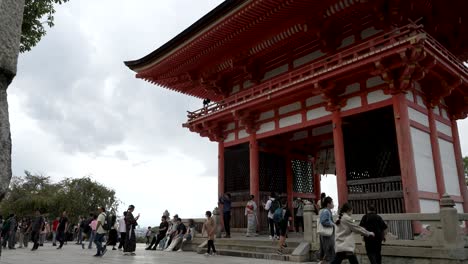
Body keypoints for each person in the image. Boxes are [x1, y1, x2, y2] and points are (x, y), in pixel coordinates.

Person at [318, 196, 335, 264]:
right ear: (328, 204)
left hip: (327, 234)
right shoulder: (326, 211)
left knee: (328, 250)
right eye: (332, 202)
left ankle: (323, 261)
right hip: (327, 235)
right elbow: (324, 221)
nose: (333, 204)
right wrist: (332, 224)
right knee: (329, 250)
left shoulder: (326, 211)